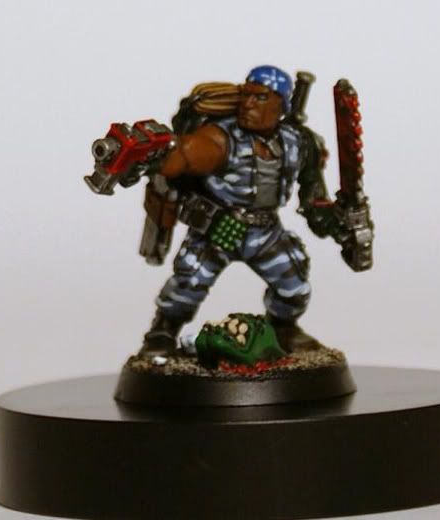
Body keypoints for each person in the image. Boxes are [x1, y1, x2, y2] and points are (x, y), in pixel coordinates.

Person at [141, 65, 335, 357]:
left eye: (260, 97)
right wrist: (158, 153)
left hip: (266, 231)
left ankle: (283, 328)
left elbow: (314, 196)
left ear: (281, 104)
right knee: (188, 283)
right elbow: (187, 154)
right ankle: (163, 332)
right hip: (218, 228)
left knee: (295, 287)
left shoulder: (299, 142)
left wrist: (333, 220)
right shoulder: (222, 135)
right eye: (245, 95)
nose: (247, 104)